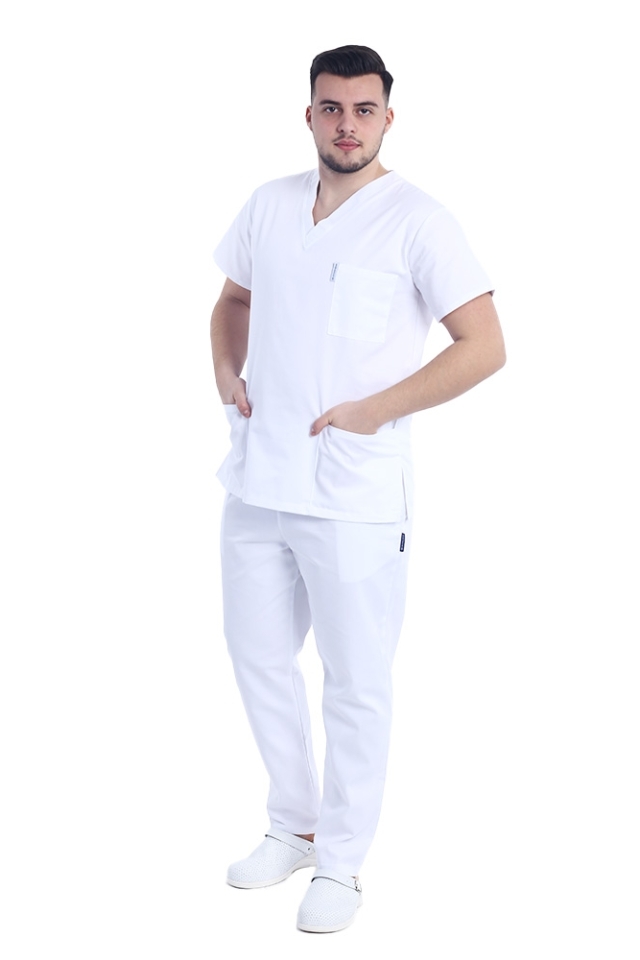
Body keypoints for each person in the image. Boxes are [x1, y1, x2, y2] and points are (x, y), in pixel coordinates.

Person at [210, 44, 506, 934]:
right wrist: (226, 373)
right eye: (332, 107)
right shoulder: (269, 205)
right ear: (309, 114)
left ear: (387, 118)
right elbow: (233, 301)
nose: (347, 124)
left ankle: (340, 862)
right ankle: (292, 824)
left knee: (355, 681)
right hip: (259, 479)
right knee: (259, 661)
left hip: (352, 493)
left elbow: (485, 346)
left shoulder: (418, 221)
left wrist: (376, 410)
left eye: (363, 109)